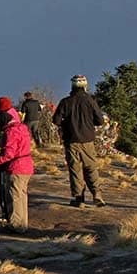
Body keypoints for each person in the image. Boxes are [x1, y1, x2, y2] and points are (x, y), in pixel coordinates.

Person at [52, 75, 106, 207]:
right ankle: (96, 195)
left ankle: (78, 198)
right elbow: (100, 121)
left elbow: (56, 121)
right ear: (85, 86)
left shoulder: (65, 102)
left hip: (71, 140)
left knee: (75, 169)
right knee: (91, 167)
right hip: (87, 140)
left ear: (72, 86)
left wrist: (67, 123)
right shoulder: (90, 100)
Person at [0, 109, 34, 233]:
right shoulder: (22, 128)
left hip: (17, 166)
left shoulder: (10, 132)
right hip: (26, 165)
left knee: (14, 196)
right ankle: (22, 224)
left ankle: (16, 225)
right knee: (21, 196)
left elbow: (9, 154)